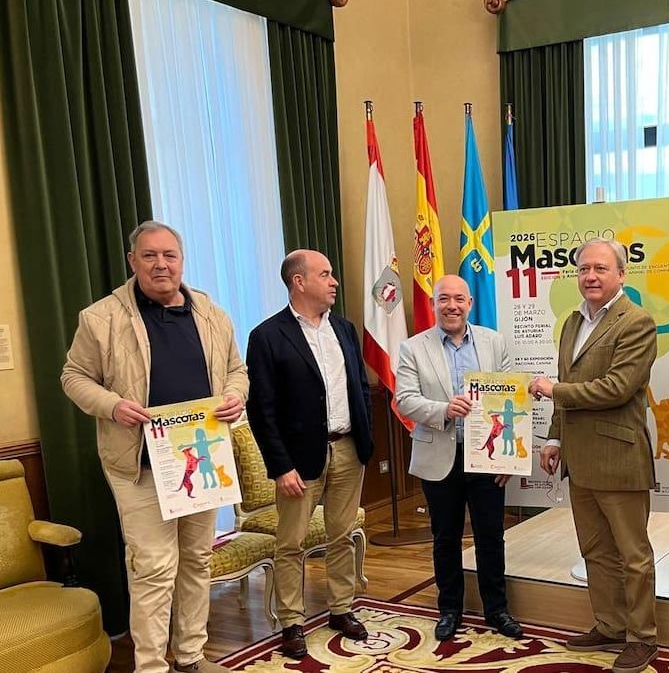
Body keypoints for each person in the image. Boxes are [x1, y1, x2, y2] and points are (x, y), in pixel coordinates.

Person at [62, 220, 247, 673]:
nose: (161, 264)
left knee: (197, 560)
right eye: (149, 255)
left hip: (201, 458)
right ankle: (151, 666)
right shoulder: (100, 318)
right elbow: (73, 376)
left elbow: (236, 370)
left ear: (181, 261)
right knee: (154, 569)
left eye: (169, 255)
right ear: (133, 261)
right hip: (140, 466)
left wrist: (235, 396)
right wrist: (111, 406)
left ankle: (190, 656)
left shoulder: (212, 314)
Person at [530, 238, 659, 673]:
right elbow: (565, 382)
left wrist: (554, 390)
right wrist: (554, 439)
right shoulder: (571, 322)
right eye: (584, 269)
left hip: (619, 458)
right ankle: (610, 625)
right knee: (595, 551)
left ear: (621, 274)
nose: (590, 276)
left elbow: (617, 388)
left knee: (633, 556)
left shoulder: (637, 322)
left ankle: (642, 637)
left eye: (601, 269)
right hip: (579, 459)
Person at [245, 250, 374, 657]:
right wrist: (280, 466)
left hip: (349, 448)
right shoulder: (267, 336)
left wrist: (366, 435)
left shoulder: (345, 329)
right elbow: (261, 410)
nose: (334, 281)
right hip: (299, 460)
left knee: (342, 535)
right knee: (291, 543)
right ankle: (292, 622)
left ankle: (341, 609)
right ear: (299, 282)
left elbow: (359, 386)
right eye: (325, 274)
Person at [395, 275, 524, 641]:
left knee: (491, 536)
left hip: (486, 457)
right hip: (440, 456)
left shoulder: (493, 341)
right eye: (443, 299)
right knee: (445, 538)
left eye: (458, 299)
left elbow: (510, 396)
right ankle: (449, 610)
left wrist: (507, 460)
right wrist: (444, 409)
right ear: (433, 304)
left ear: (470, 303)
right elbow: (404, 399)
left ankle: (497, 610)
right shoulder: (413, 348)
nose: (451, 306)